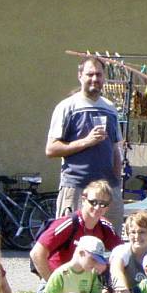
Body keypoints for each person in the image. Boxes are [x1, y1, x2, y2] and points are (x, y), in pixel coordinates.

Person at [46, 57, 123, 230]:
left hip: (107, 191)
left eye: (99, 74)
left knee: (110, 245)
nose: (95, 79)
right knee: (71, 242)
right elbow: (51, 149)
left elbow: (114, 148)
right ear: (80, 76)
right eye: (90, 74)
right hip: (76, 188)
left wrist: (116, 184)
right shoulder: (67, 107)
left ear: (104, 78)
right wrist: (86, 142)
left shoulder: (110, 109)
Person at [30, 179, 122, 281]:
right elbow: (36, 253)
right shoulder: (68, 223)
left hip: (84, 283)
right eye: (93, 202)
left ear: (107, 207)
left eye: (103, 204)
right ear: (83, 200)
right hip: (60, 281)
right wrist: (52, 284)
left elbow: (122, 252)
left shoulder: (105, 227)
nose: (97, 207)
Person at [43, 236, 133, 293]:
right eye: (93, 259)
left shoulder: (91, 273)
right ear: (81, 253)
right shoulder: (60, 273)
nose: (95, 264)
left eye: (97, 261)